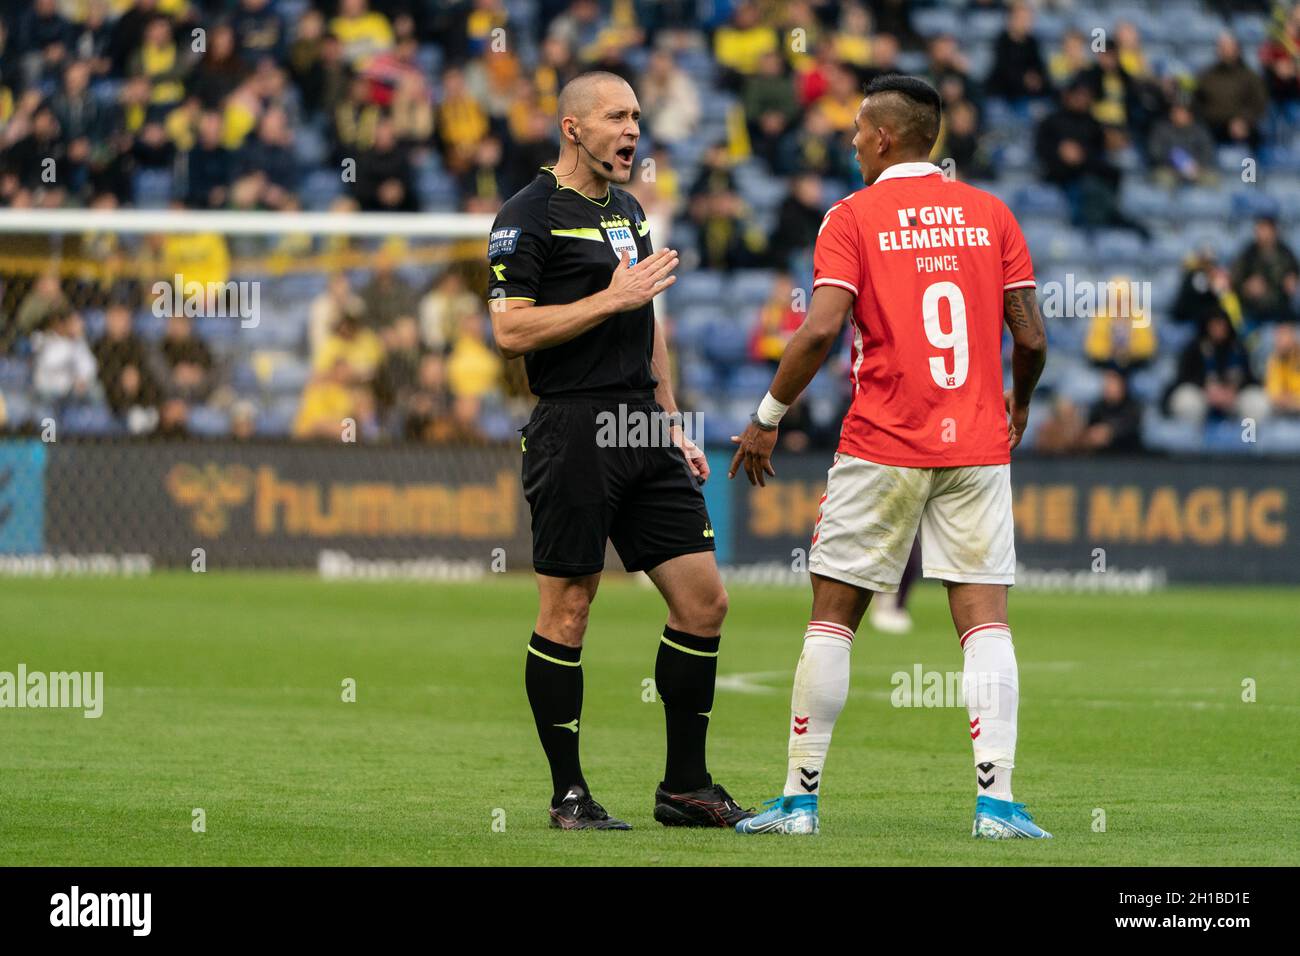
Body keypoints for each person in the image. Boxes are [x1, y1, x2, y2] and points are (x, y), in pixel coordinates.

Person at [729, 75, 1051, 839]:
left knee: (833, 619)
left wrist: (767, 416)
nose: (848, 140)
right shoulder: (992, 214)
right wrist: (1021, 404)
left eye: (855, 130)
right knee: (986, 624)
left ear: (884, 138)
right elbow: (1033, 337)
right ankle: (997, 805)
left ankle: (800, 802)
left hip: (883, 440)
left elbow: (818, 330)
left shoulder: (853, 216)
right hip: (977, 442)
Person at [488, 71, 753, 831]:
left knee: (705, 602)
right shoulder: (526, 216)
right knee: (569, 608)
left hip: (641, 424)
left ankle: (685, 786)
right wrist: (614, 297)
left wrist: (672, 418)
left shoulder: (630, 209)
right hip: (572, 425)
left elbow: (648, 323)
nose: (633, 131)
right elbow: (510, 332)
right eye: (616, 117)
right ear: (573, 128)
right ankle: (568, 794)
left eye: (637, 116)